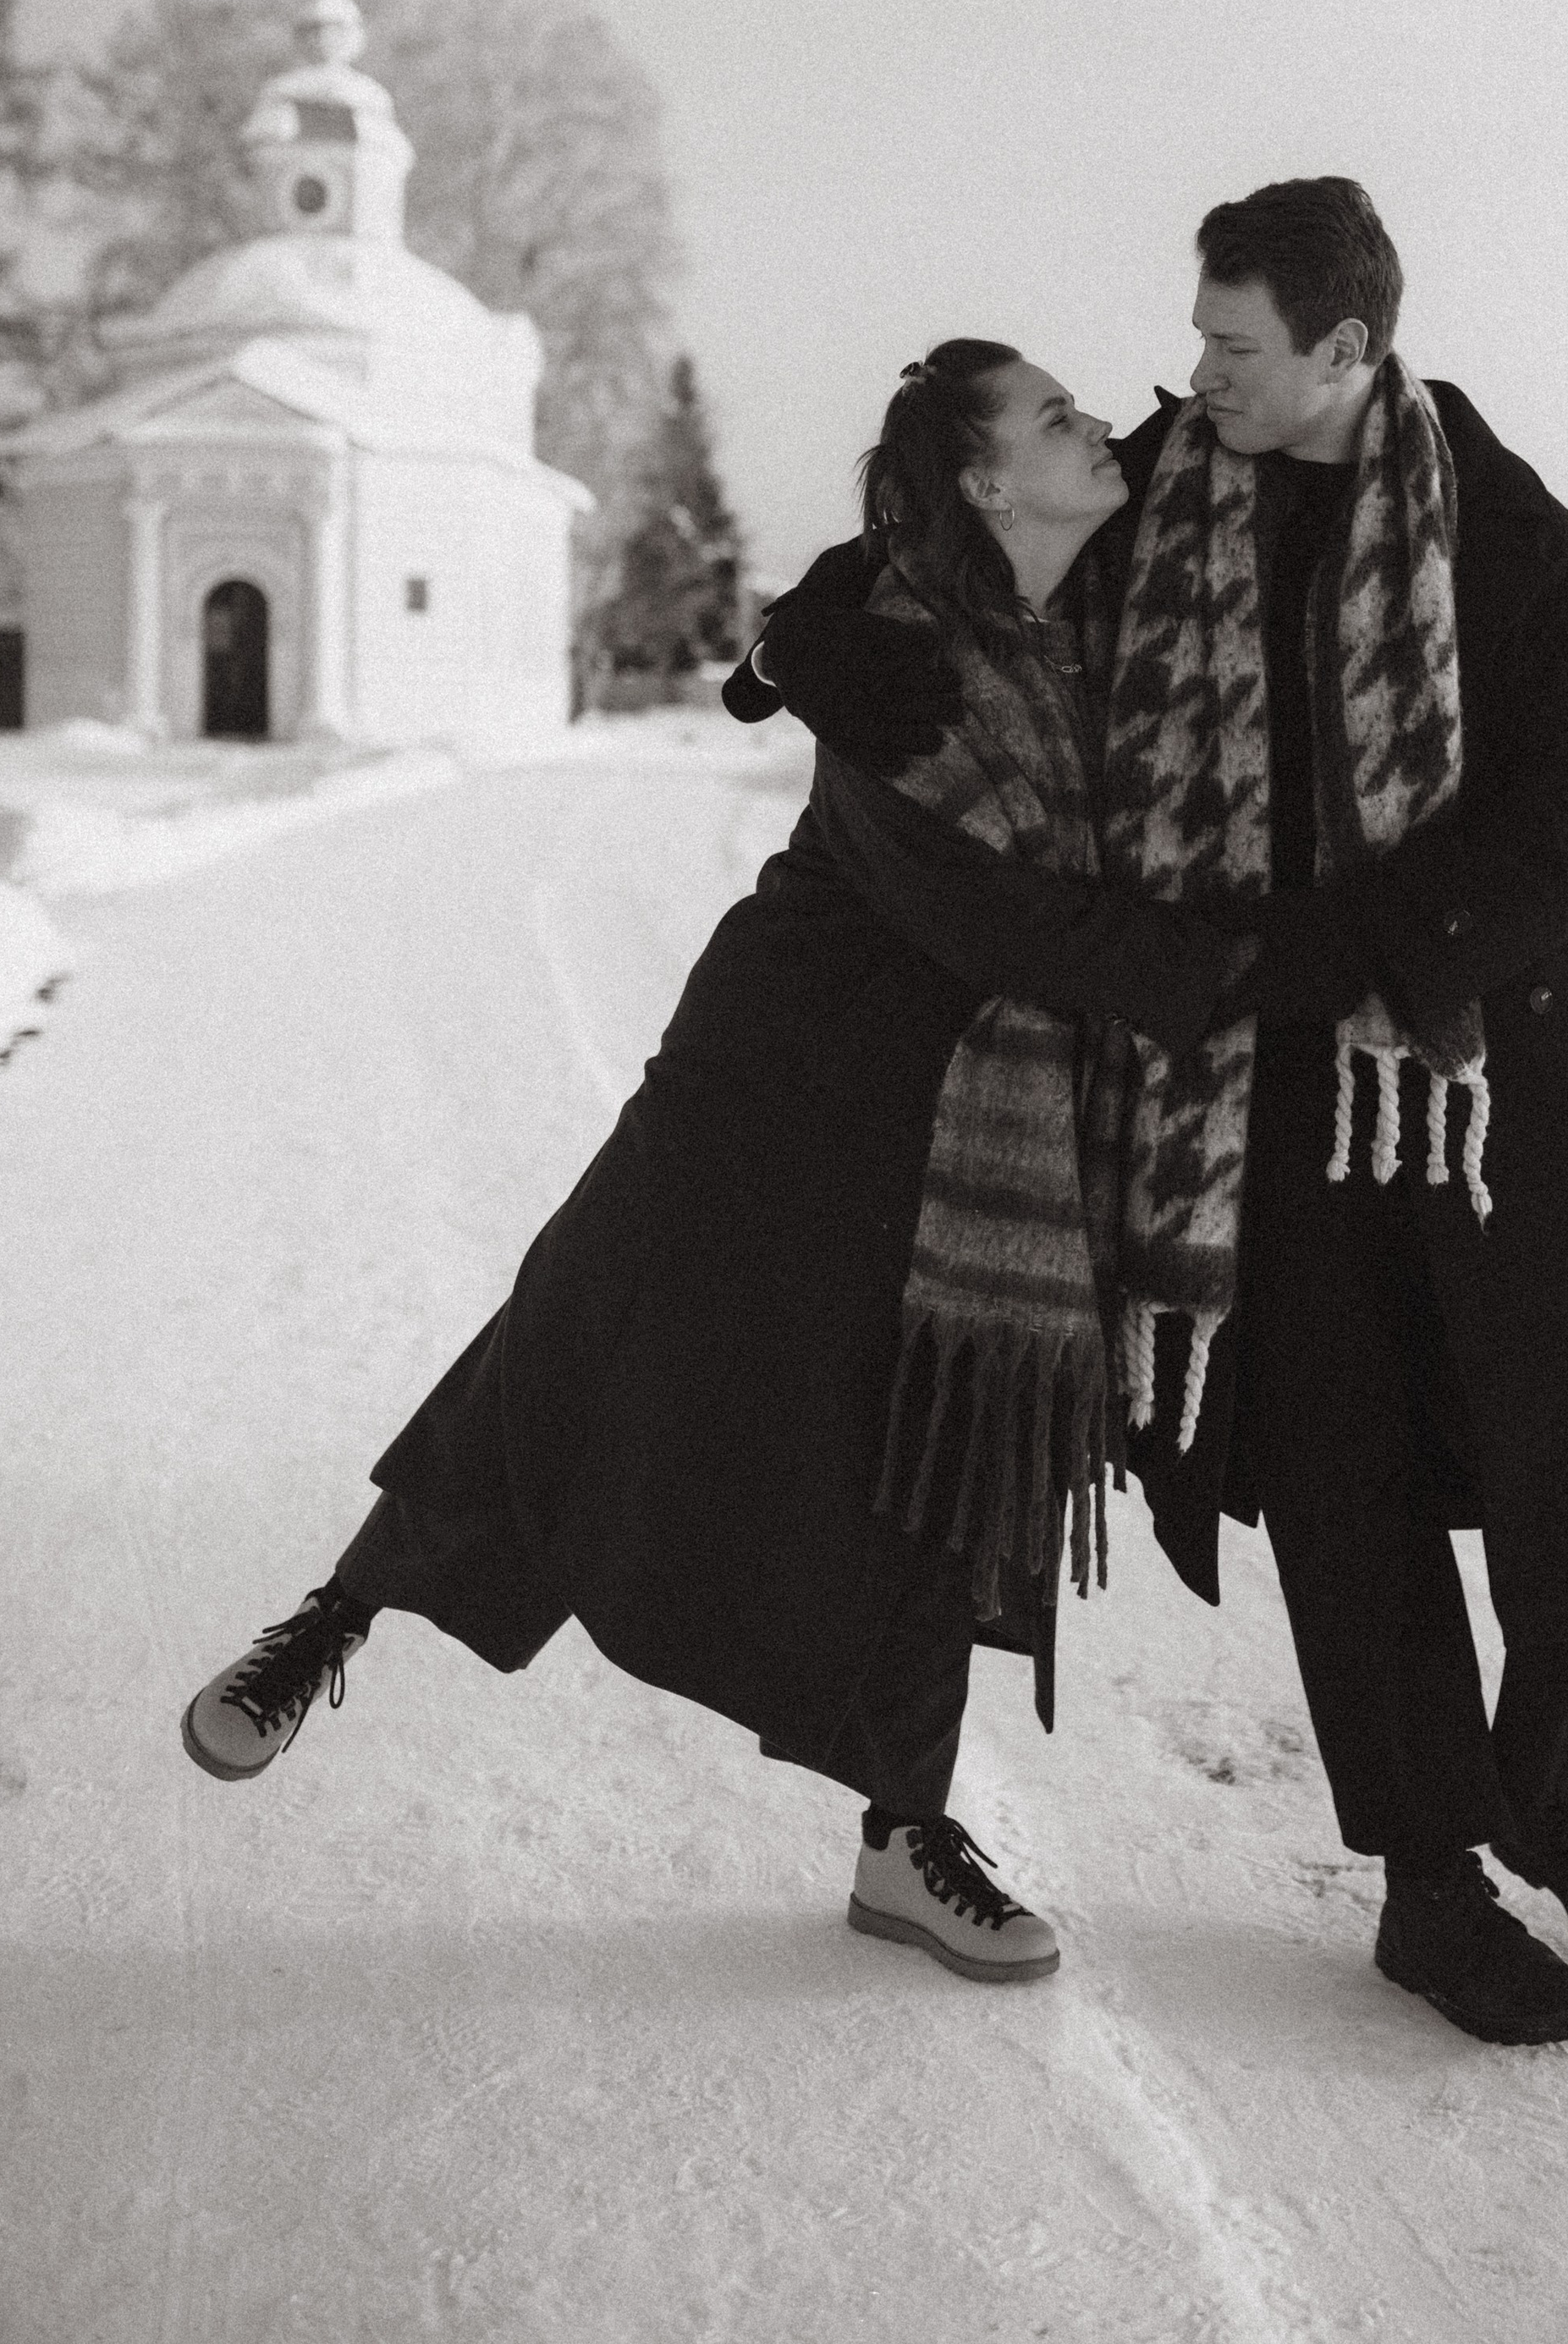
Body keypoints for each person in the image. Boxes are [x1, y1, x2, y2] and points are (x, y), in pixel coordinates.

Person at [736, 177, 1568, 2047]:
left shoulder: (1494, 528)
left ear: (1345, 348)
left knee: (1553, 1447)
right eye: (1195, 337)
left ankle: (1550, 1792)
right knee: (1347, 1486)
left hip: (1471, 1076)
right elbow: (959, 545)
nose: (1190, 375)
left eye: (1233, 345)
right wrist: (808, 635)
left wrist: (1370, 947)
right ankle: (1430, 1887)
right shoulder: (1173, 480)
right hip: (1249, 1092)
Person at [180, 341, 1251, 1988]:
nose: (1095, 421)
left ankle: (906, 1841)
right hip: (773, 1077)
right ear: (982, 481)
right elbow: (995, 915)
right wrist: (1227, 979)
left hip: (972, 1135)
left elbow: (1237, 425)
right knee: (589, 1341)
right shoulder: (903, 651)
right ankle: (334, 1621)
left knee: (930, 1468)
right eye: (1052, 417)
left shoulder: (1085, 599)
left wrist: (780, 637)